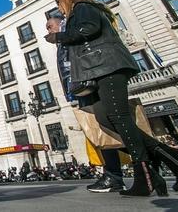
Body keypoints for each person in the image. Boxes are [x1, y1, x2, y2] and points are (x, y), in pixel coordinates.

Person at [45, 0, 178, 196]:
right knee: (108, 119)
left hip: (108, 66)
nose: (59, 8)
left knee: (118, 118)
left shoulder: (83, 7)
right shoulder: (84, 10)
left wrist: (59, 37)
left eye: (58, 3)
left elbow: (88, 29)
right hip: (101, 69)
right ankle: (173, 160)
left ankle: (146, 175)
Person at [46, 16, 127, 193]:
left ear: (61, 24)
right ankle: (114, 174)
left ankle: (118, 173)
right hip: (80, 86)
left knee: (106, 128)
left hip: (87, 84)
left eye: (50, 27)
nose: (49, 31)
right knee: (103, 130)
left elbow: (75, 61)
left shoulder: (70, 32)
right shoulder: (63, 41)